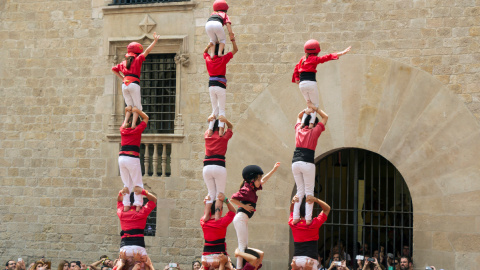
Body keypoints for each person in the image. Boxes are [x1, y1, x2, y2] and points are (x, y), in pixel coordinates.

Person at [230, 163, 280, 269]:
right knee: (242, 246)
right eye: (258, 179)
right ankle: (239, 268)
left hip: (244, 219)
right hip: (241, 219)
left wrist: (273, 169)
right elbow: (233, 199)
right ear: (252, 180)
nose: (260, 181)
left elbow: (264, 180)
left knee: (244, 246)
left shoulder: (252, 188)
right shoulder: (247, 190)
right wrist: (245, 206)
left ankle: (242, 266)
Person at [292, 40, 350, 128]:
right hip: (311, 83)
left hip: (302, 84)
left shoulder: (302, 59)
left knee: (309, 104)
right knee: (315, 105)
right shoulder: (314, 59)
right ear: (316, 51)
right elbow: (327, 57)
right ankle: (311, 124)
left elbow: (296, 68)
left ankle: (303, 123)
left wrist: (296, 78)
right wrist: (341, 53)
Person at [111, 33, 159, 129]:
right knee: (137, 107)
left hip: (124, 85)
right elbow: (147, 51)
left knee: (129, 106)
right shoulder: (138, 59)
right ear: (137, 53)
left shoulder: (123, 63)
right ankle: (133, 125)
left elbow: (113, 69)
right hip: (134, 84)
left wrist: (123, 78)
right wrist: (155, 41)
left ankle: (125, 123)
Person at [291, 102, 328, 225]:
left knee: (299, 191)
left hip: (295, 162)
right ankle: (308, 219)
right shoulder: (315, 131)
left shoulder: (298, 129)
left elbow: (298, 116)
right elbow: (325, 117)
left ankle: (296, 217)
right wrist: (315, 109)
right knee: (309, 192)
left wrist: (306, 110)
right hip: (307, 162)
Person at [203, 38, 238, 136]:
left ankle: (210, 130)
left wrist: (209, 46)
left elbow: (204, 53)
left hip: (211, 85)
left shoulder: (209, 59)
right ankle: (221, 130)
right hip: (220, 85)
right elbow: (235, 50)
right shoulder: (223, 59)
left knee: (214, 109)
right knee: (221, 109)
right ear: (221, 52)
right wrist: (233, 40)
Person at [203, 116, 234, 222]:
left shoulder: (207, 135)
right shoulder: (224, 137)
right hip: (219, 166)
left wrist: (210, 120)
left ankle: (207, 215)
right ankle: (217, 217)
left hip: (207, 167)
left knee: (211, 193)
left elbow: (209, 127)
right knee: (219, 194)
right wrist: (226, 121)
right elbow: (231, 127)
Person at [118, 108, 149, 211]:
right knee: (138, 184)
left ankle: (126, 205)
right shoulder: (137, 130)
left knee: (127, 184)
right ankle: (138, 205)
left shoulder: (123, 129)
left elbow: (125, 121)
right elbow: (146, 118)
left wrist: (129, 111)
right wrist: (138, 110)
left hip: (121, 157)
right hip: (132, 157)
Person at [289, 194, 331, 270]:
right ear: (310, 211)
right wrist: (316, 200)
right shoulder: (314, 223)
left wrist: (293, 203)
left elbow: (292, 211)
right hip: (310, 259)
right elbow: (327, 209)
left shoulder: (293, 223)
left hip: (297, 260)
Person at [117, 188, 157, 257]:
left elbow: (119, 201)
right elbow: (153, 200)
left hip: (124, 247)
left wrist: (121, 193)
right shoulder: (142, 213)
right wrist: (144, 192)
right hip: (138, 245)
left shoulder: (121, 213)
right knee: (146, 266)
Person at [200, 194, 236, 270]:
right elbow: (233, 211)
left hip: (206, 258)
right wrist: (226, 200)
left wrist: (206, 205)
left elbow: (207, 215)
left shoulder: (203, 222)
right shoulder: (222, 222)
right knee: (229, 265)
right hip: (219, 257)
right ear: (221, 210)